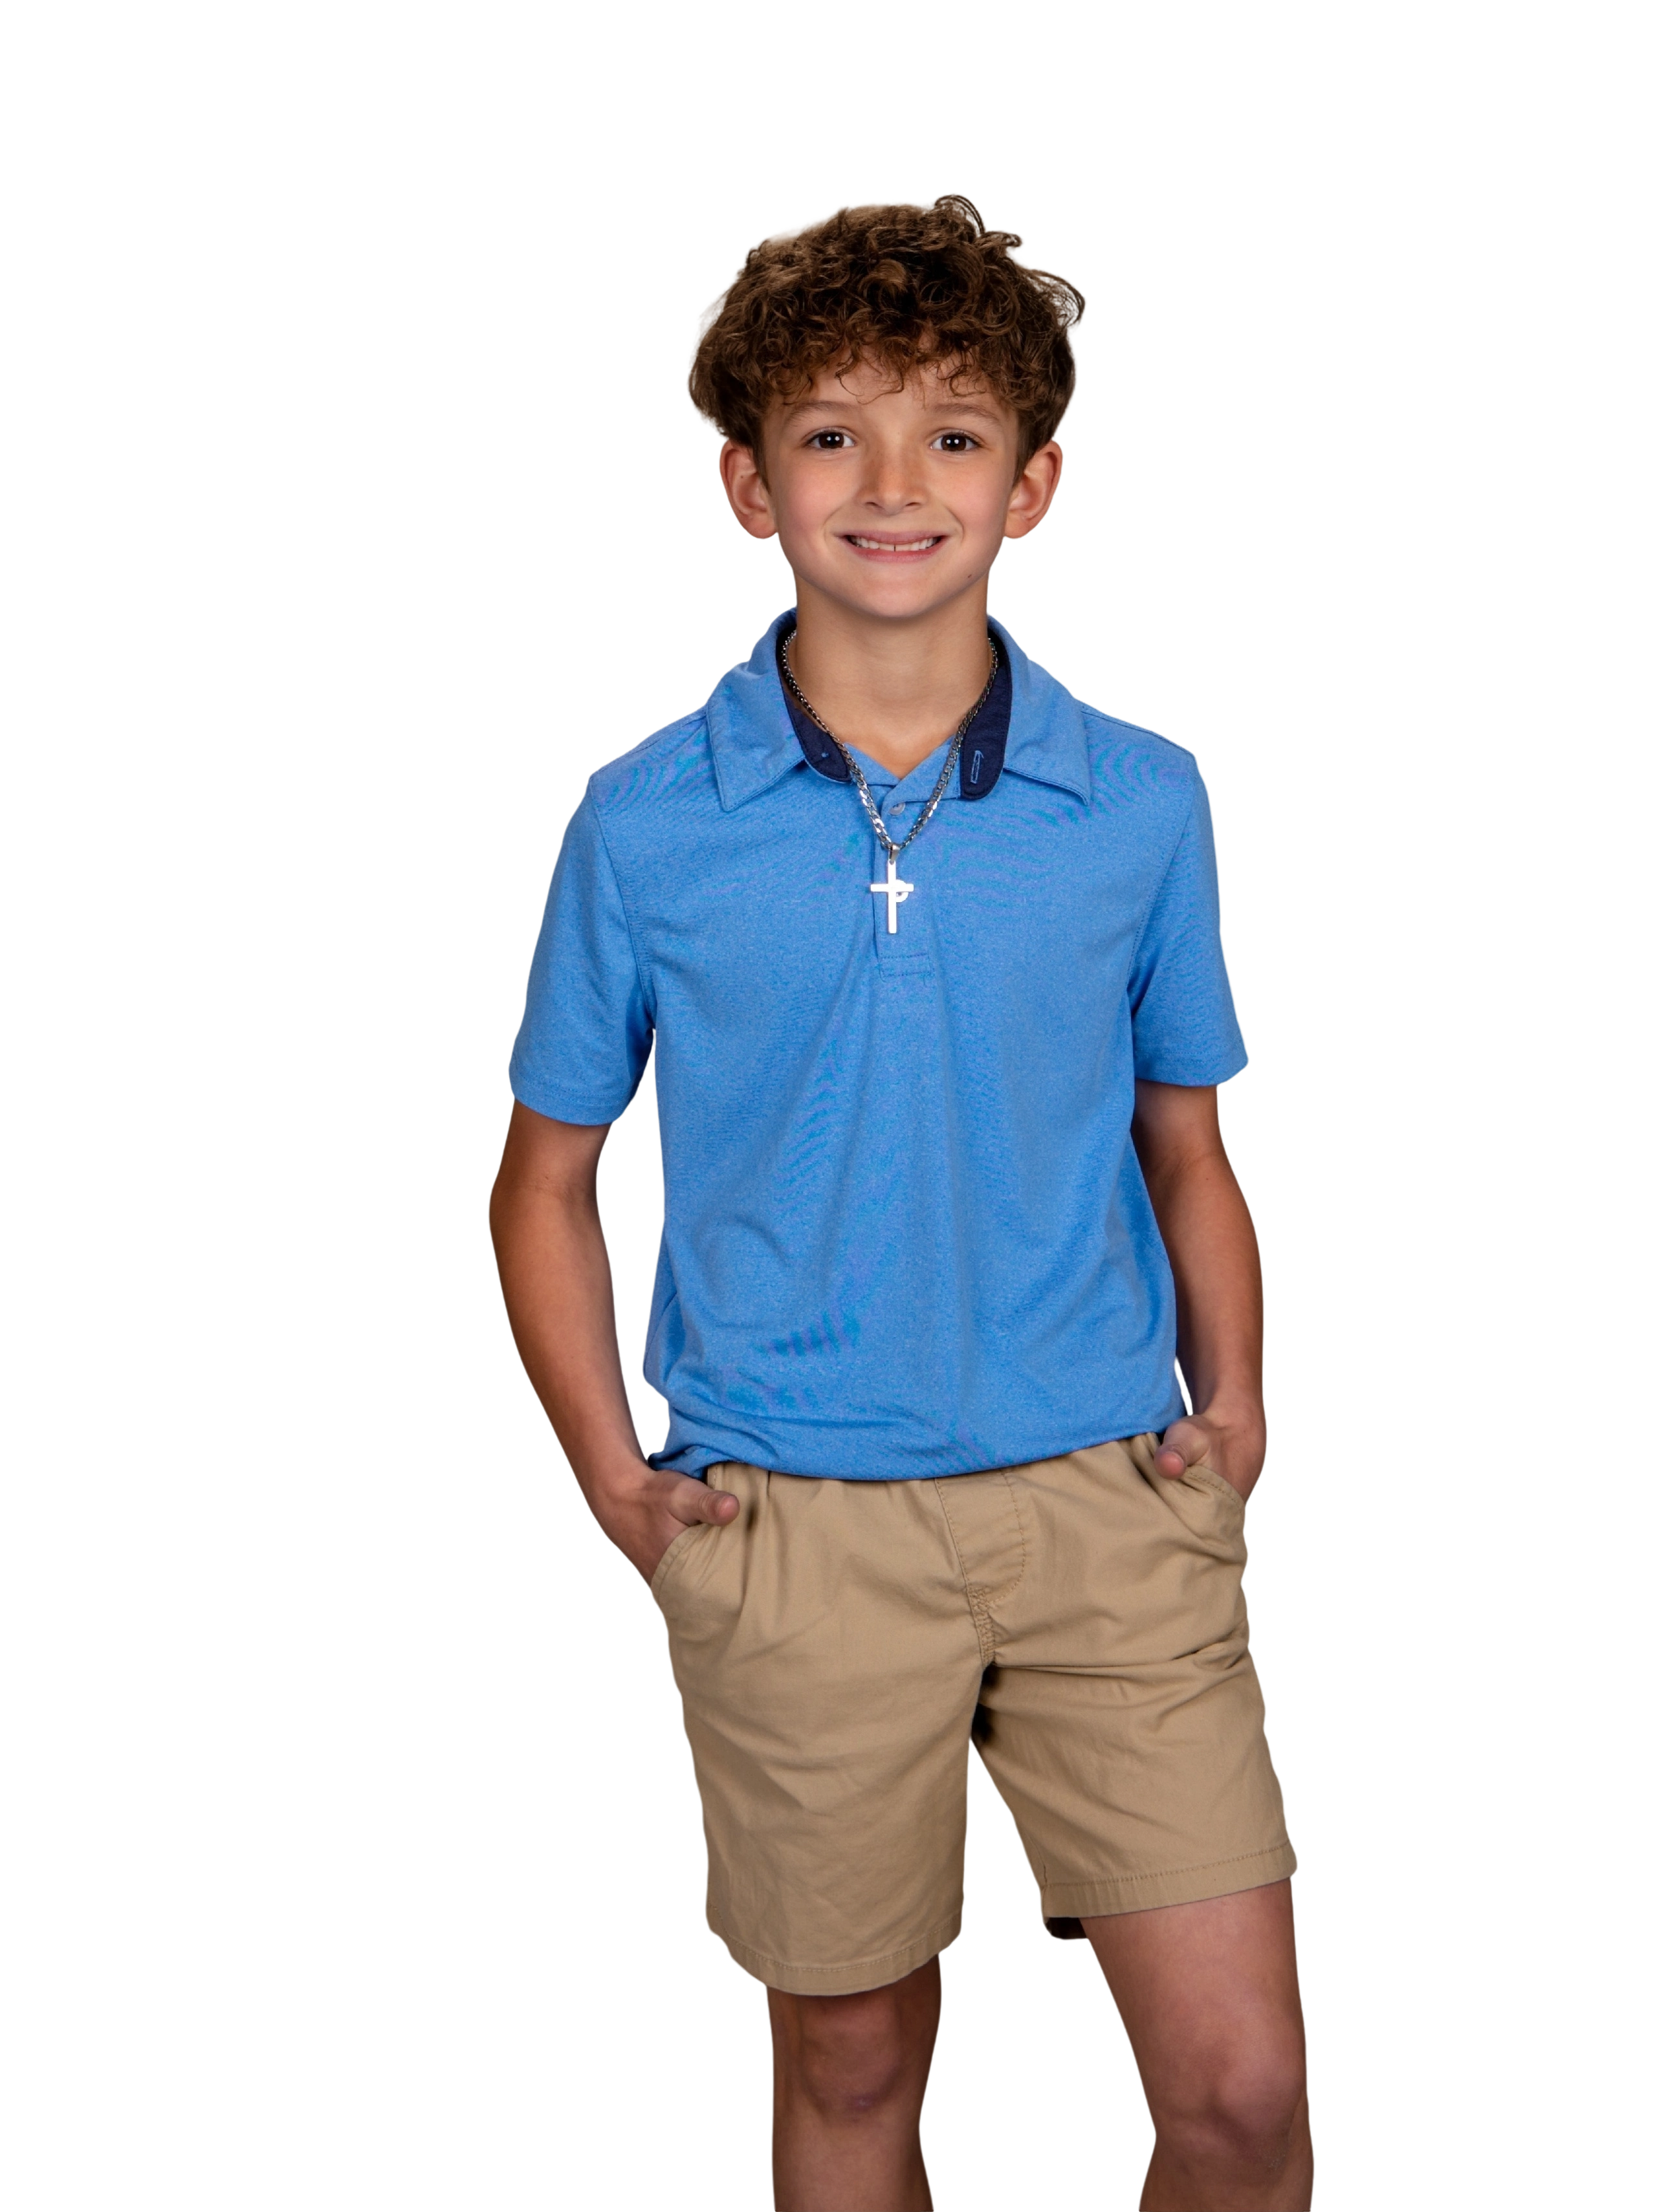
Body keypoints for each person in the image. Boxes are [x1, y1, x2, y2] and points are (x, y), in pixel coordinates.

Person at [487, 193, 1310, 2212]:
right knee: (852, 2068)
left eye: (949, 434)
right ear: (747, 487)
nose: (888, 482)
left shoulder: (1139, 797)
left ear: (1032, 487)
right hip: (794, 1530)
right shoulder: (644, 818)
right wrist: (616, 1487)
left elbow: (1187, 1148)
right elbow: (542, 1181)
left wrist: (1233, 1419)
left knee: (1241, 2100)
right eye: (828, 434)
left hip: (1112, 1509)